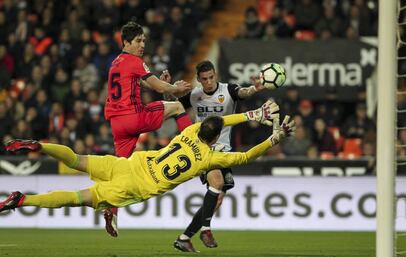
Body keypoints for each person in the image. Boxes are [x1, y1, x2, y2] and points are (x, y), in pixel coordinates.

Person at [0, 102, 295, 235]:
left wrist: (249, 115)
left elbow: (220, 121)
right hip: (133, 187)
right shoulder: (209, 159)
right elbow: (244, 157)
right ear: (216, 138)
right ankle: (24, 199)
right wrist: (273, 137)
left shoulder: (189, 131)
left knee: (76, 159)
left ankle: (41, 145)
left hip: (127, 164)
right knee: (77, 198)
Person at [103, 21, 193, 237]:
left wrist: (157, 83)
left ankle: (111, 212)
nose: (142, 44)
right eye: (138, 41)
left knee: (119, 169)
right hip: (134, 117)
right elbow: (159, 87)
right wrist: (175, 88)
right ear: (126, 42)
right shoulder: (135, 61)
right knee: (177, 106)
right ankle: (195, 144)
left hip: (117, 124)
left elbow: (136, 83)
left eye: (144, 40)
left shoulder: (116, 63)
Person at [173, 60, 268, 251]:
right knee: (217, 184)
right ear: (199, 79)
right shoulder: (194, 95)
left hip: (224, 150)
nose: (208, 82)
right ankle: (206, 229)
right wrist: (168, 90)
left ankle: (185, 237)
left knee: (217, 199)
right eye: (204, 79)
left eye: (211, 77)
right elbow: (172, 106)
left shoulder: (228, 90)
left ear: (215, 75)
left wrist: (254, 89)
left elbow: (243, 92)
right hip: (203, 149)